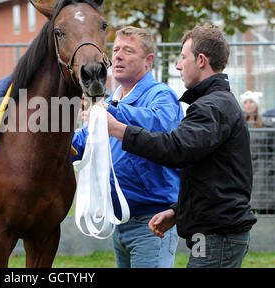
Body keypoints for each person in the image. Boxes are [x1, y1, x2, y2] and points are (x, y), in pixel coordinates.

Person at [106, 23, 257, 268]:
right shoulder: (212, 103)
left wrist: (118, 130)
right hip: (214, 234)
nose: (177, 65)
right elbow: (205, 175)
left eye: (183, 57)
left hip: (218, 236)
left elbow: (177, 149)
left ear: (201, 60)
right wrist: (177, 211)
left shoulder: (212, 106)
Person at [72, 26, 184, 268]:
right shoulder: (112, 99)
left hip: (153, 222)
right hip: (120, 221)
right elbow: (82, 143)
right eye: (115, 50)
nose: (118, 56)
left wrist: (108, 111)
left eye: (128, 50)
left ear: (148, 61)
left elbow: (158, 122)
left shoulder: (161, 94)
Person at [240, 91, 275, 214]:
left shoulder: (266, 124)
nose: (248, 105)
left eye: (251, 102)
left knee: (264, 206)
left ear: (257, 104)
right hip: (243, 170)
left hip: (263, 171)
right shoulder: (238, 123)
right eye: (245, 102)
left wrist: (271, 168)